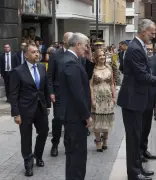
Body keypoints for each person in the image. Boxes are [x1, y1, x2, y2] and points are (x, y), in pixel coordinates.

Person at [117, 19, 156, 180]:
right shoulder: (135, 48)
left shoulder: (139, 46)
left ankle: (138, 168)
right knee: (133, 138)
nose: (153, 35)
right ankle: (134, 173)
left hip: (138, 99)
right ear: (143, 31)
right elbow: (143, 76)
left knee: (137, 136)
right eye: (152, 32)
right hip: (132, 100)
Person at [10, 44, 51, 177]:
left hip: (40, 108)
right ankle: (28, 163)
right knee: (26, 137)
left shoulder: (41, 67)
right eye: (33, 52)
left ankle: (38, 156)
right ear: (26, 55)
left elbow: (44, 89)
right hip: (25, 110)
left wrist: (48, 105)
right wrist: (16, 113)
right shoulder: (18, 71)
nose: (37, 54)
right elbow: (14, 94)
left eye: (37, 52)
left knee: (44, 131)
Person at [59, 33, 93, 180]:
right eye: (86, 46)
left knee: (75, 156)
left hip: (73, 116)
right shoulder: (70, 62)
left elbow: (86, 77)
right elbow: (77, 93)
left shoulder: (73, 59)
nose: (87, 49)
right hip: (75, 117)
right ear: (77, 44)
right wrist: (86, 115)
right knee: (77, 157)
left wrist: (89, 57)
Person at [47, 32, 73, 157]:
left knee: (70, 120)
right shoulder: (55, 54)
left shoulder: (75, 53)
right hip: (58, 93)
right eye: (70, 39)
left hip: (72, 93)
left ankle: (68, 144)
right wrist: (51, 92)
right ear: (64, 41)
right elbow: (50, 75)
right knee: (58, 119)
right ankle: (55, 143)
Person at [90, 48, 116, 151]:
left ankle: (105, 140)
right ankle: (97, 141)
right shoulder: (93, 69)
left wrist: (114, 96)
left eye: (103, 55)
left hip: (108, 97)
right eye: (100, 55)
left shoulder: (109, 68)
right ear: (96, 57)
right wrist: (92, 99)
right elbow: (90, 85)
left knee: (107, 120)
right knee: (96, 120)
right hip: (97, 96)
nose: (102, 57)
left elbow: (112, 83)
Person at [140, 42, 156, 162]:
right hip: (141, 100)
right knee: (141, 128)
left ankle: (144, 149)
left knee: (147, 127)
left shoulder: (153, 62)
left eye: (150, 49)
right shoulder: (139, 62)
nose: (149, 51)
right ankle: (139, 153)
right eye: (146, 49)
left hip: (151, 99)